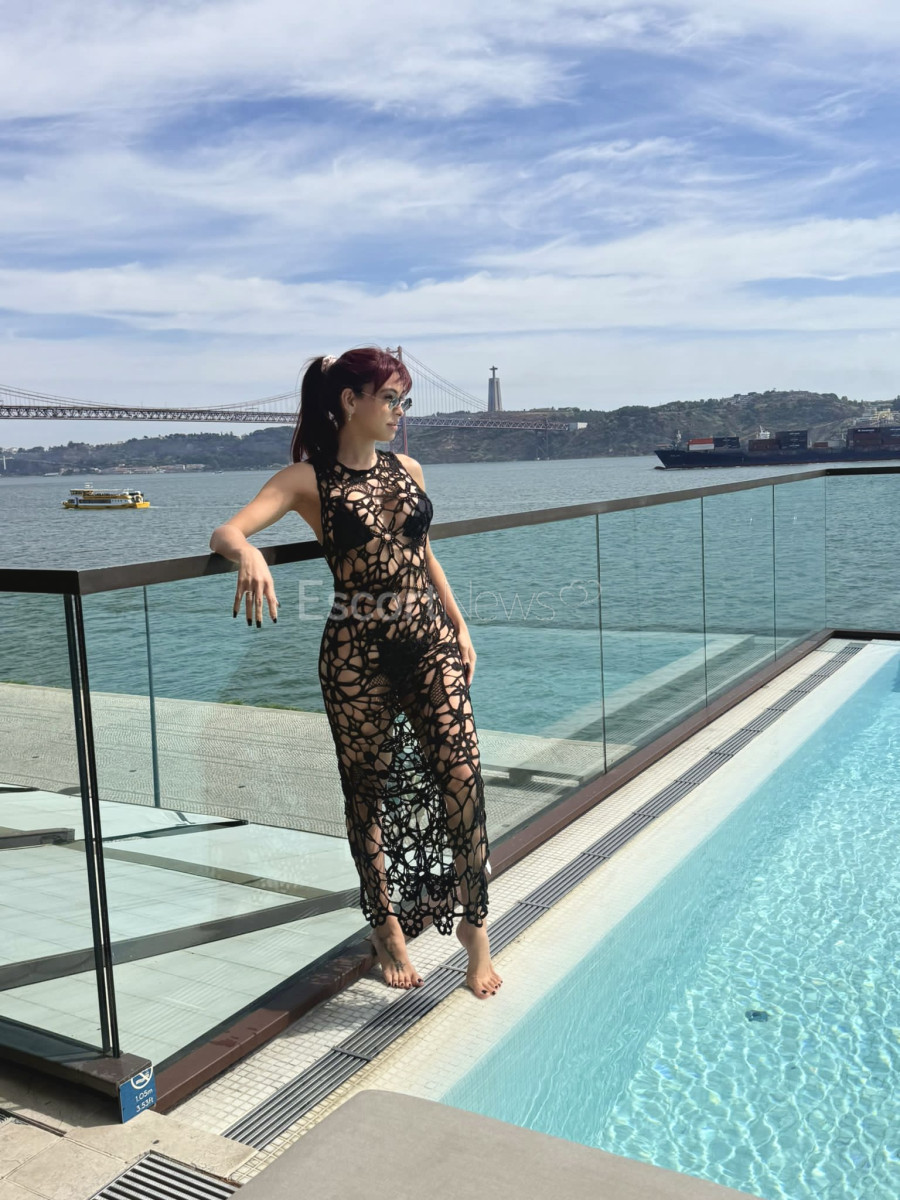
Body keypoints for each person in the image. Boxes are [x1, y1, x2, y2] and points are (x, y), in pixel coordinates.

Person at [209, 346, 502, 999]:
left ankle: (475, 927)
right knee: (366, 792)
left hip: (428, 641)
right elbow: (226, 531)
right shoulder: (305, 480)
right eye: (390, 399)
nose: (399, 412)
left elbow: (424, 553)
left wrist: (459, 624)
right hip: (356, 653)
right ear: (350, 401)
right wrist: (248, 554)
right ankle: (386, 925)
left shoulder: (409, 469)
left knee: (462, 776)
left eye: (403, 400)